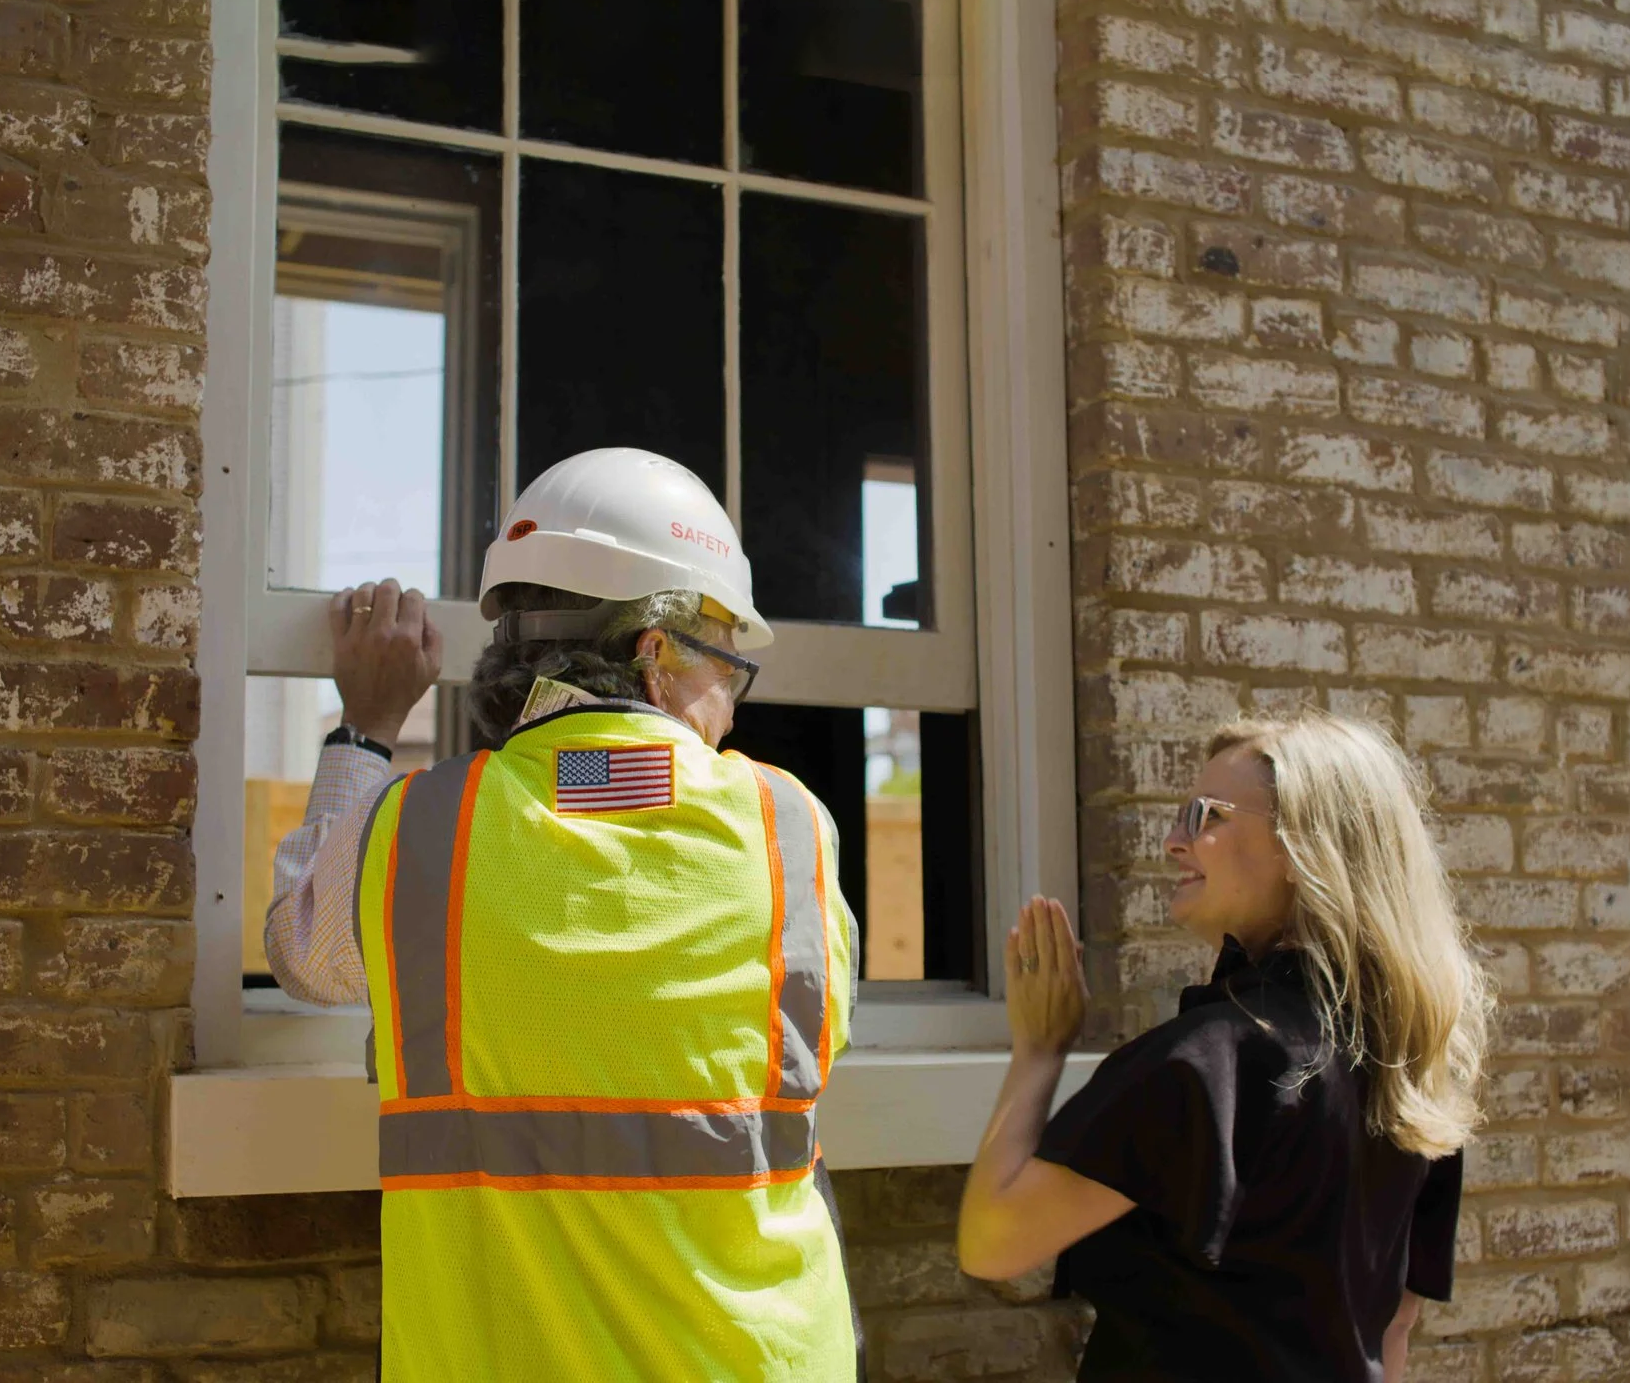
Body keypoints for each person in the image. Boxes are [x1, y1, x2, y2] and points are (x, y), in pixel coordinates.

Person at [264, 447, 862, 1382]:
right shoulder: (790, 829)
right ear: (656, 653)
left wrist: (365, 730)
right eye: (727, 670)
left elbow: (303, 949)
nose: (732, 712)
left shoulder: (418, 831)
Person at [957, 714, 1490, 1382]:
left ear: (1304, 848)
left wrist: (1038, 1049)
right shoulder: (1411, 1063)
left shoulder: (1208, 1060)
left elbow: (991, 1241)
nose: (1173, 841)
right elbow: (1394, 1327)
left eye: (1204, 816)